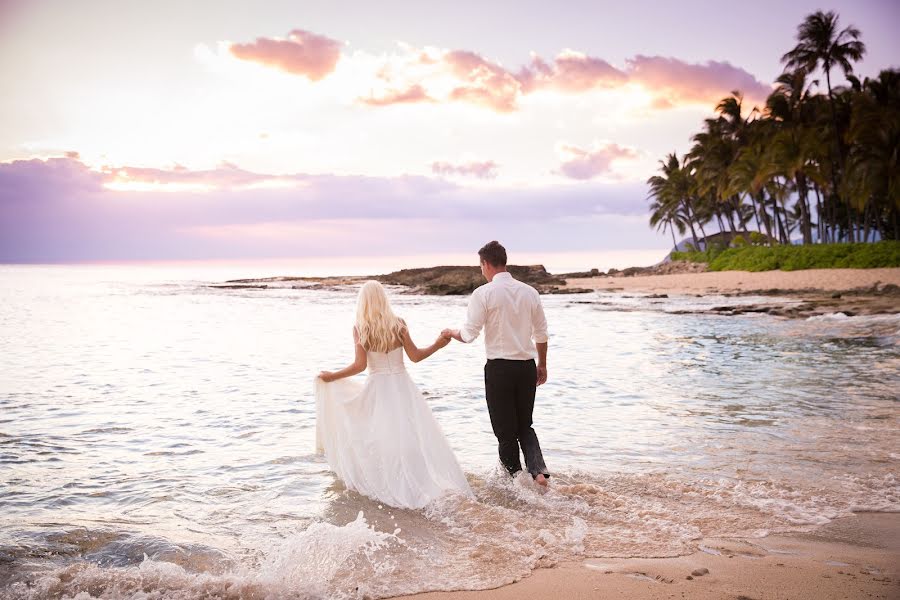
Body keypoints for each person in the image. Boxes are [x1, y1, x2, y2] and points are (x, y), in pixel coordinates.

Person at [315, 280, 471, 509]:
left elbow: (359, 366)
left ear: (364, 302)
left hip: (378, 389)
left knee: (380, 438)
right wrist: (438, 344)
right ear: (383, 299)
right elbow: (416, 356)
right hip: (403, 387)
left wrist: (332, 376)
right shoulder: (398, 324)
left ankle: (391, 480)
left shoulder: (360, 328)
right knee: (411, 435)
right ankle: (417, 477)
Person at [443, 241, 550, 486]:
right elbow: (541, 334)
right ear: (504, 261)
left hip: (500, 369)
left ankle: (514, 484)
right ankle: (539, 472)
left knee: (505, 433)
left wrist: (450, 332)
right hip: (526, 367)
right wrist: (542, 365)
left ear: (486, 264)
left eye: (480, 266)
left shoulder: (483, 293)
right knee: (526, 424)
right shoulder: (529, 292)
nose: (481, 270)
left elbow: (469, 334)